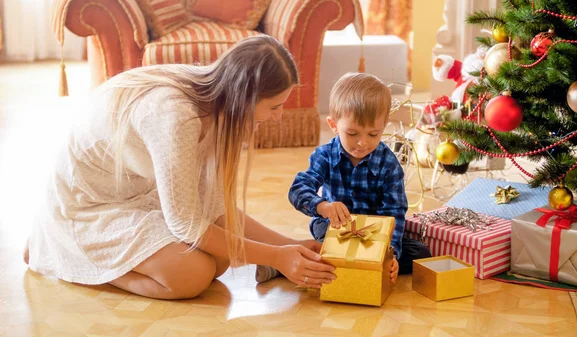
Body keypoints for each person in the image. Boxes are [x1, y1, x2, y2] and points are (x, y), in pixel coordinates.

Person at [23, 35, 336, 300]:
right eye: (275, 106)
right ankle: (73, 257)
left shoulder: (217, 103)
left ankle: (86, 256)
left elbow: (216, 210)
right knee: (192, 275)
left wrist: (291, 246)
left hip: (133, 191)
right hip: (87, 206)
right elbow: (187, 225)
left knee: (221, 257)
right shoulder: (175, 117)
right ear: (245, 97)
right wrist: (275, 256)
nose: (279, 117)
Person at [281, 72, 430, 282]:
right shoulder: (324, 155)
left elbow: (394, 213)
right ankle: (290, 264)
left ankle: (351, 264)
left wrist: (391, 254)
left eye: (373, 134)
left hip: (374, 235)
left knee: (420, 253)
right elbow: (297, 190)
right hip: (335, 230)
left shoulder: (388, 164)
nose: (363, 143)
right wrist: (323, 206)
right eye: (352, 134)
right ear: (334, 125)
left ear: (384, 126)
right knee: (330, 240)